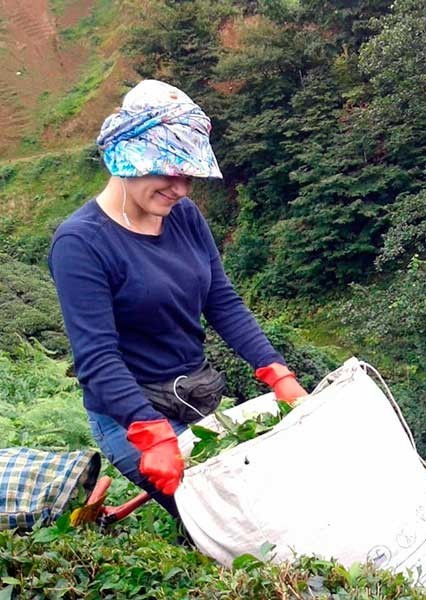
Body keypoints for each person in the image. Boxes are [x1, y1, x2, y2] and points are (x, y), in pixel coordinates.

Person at [48, 79, 307, 518]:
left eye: (187, 176)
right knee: (224, 518)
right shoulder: (80, 243)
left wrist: (276, 372)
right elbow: (96, 357)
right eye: (169, 173)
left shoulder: (182, 215)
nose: (182, 189)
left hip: (193, 397)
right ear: (127, 158)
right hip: (130, 412)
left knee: (252, 503)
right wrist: (150, 432)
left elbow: (221, 299)